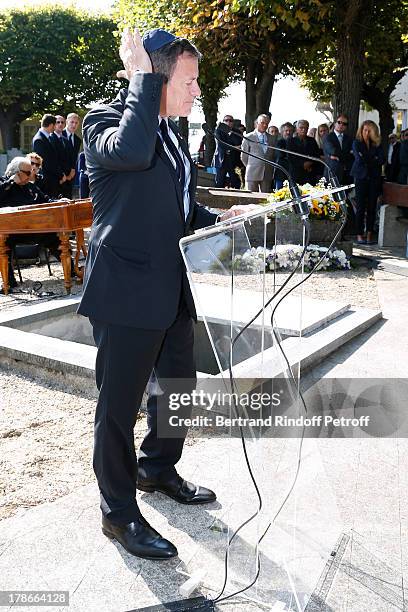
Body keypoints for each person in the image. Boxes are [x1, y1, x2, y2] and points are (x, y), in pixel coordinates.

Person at [78, 27, 254, 561]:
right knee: (119, 404)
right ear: (156, 77)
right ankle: (118, 511)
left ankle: (157, 468)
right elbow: (130, 155)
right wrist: (141, 79)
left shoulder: (172, 134)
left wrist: (218, 217)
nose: (197, 91)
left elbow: (175, 207)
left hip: (169, 284)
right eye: (190, 80)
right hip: (125, 288)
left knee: (178, 381)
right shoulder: (104, 122)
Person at [0, 157, 64, 290]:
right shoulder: (4, 184)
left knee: (55, 236)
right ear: (17, 172)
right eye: (28, 173)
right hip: (9, 232)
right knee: (2, 244)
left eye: (32, 172)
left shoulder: (30, 186)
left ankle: (72, 270)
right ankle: (9, 282)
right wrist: (11, 182)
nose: (31, 175)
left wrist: (59, 202)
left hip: (31, 229)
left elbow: (46, 200)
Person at [351, 120, 384, 244]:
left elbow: (381, 160)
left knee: (372, 207)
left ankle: (369, 234)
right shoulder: (357, 143)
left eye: (370, 130)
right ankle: (359, 234)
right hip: (361, 177)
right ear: (361, 130)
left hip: (374, 178)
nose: (367, 133)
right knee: (360, 206)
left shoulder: (378, 144)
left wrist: (369, 159)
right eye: (365, 130)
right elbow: (359, 159)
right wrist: (373, 159)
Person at [240, 114, 277, 192]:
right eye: (262, 123)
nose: (264, 125)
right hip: (252, 172)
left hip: (267, 173)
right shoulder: (248, 137)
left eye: (267, 123)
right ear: (257, 123)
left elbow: (273, 156)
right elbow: (244, 157)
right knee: (251, 198)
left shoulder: (272, 138)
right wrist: (252, 165)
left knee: (265, 199)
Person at [32, 114, 66, 197]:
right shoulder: (39, 140)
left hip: (52, 179)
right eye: (55, 124)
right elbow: (46, 162)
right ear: (51, 125)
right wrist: (61, 175)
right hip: (47, 180)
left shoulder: (47, 137)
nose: (55, 127)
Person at [286, 119, 321, 184]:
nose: (303, 130)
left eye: (306, 128)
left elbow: (317, 155)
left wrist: (310, 163)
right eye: (301, 128)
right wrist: (302, 164)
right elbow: (290, 157)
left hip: (310, 173)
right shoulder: (291, 141)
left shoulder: (312, 141)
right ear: (297, 129)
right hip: (296, 174)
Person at [322, 114, 353, 185]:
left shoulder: (349, 138)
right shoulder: (327, 137)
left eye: (344, 124)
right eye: (339, 122)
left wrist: (338, 156)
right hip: (332, 173)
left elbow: (353, 154)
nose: (341, 125)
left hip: (346, 174)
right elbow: (333, 151)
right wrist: (348, 152)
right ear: (335, 123)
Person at [213, 114, 242, 188]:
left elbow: (238, 143)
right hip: (221, 159)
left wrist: (230, 133)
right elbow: (221, 144)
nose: (228, 122)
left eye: (230, 120)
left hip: (233, 160)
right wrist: (234, 147)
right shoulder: (218, 131)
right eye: (226, 120)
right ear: (223, 122)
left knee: (235, 182)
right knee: (219, 182)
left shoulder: (237, 132)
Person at [63, 113, 82, 197]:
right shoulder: (59, 135)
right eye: (72, 122)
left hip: (71, 176)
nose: (74, 125)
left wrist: (72, 171)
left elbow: (74, 158)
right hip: (59, 175)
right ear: (67, 122)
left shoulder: (77, 140)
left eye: (76, 123)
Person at [274, 122, 294, 189]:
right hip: (281, 173)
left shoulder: (295, 142)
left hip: (293, 173)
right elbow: (280, 154)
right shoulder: (279, 142)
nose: (288, 132)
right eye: (286, 131)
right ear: (282, 132)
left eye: (290, 131)